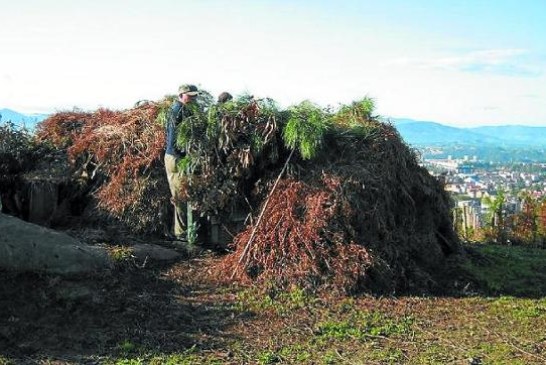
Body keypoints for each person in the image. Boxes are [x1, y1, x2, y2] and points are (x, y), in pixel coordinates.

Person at [164, 84, 200, 249]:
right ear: (181, 95)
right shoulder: (177, 110)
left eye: (195, 95)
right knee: (180, 196)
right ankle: (181, 237)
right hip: (176, 158)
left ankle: (187, 233)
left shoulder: (184, 109)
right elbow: (173, 140)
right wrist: (184, 157)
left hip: (181, 157)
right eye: (190, 95)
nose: (193, 98)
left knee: (186, 194)